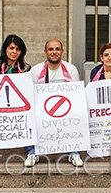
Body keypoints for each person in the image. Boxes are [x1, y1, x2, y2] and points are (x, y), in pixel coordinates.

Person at [27, 38, 82, 167]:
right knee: (29, 118)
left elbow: (76, 95)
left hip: (65, 109)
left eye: (57, 49)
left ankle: (74, 152)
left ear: (62, 51)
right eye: (51, 49)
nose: (54, 52)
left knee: (76, 116)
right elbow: (31, 95)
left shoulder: (71, 69)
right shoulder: (35, 71)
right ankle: (32, 153)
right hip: (42, 109)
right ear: (45, 52)